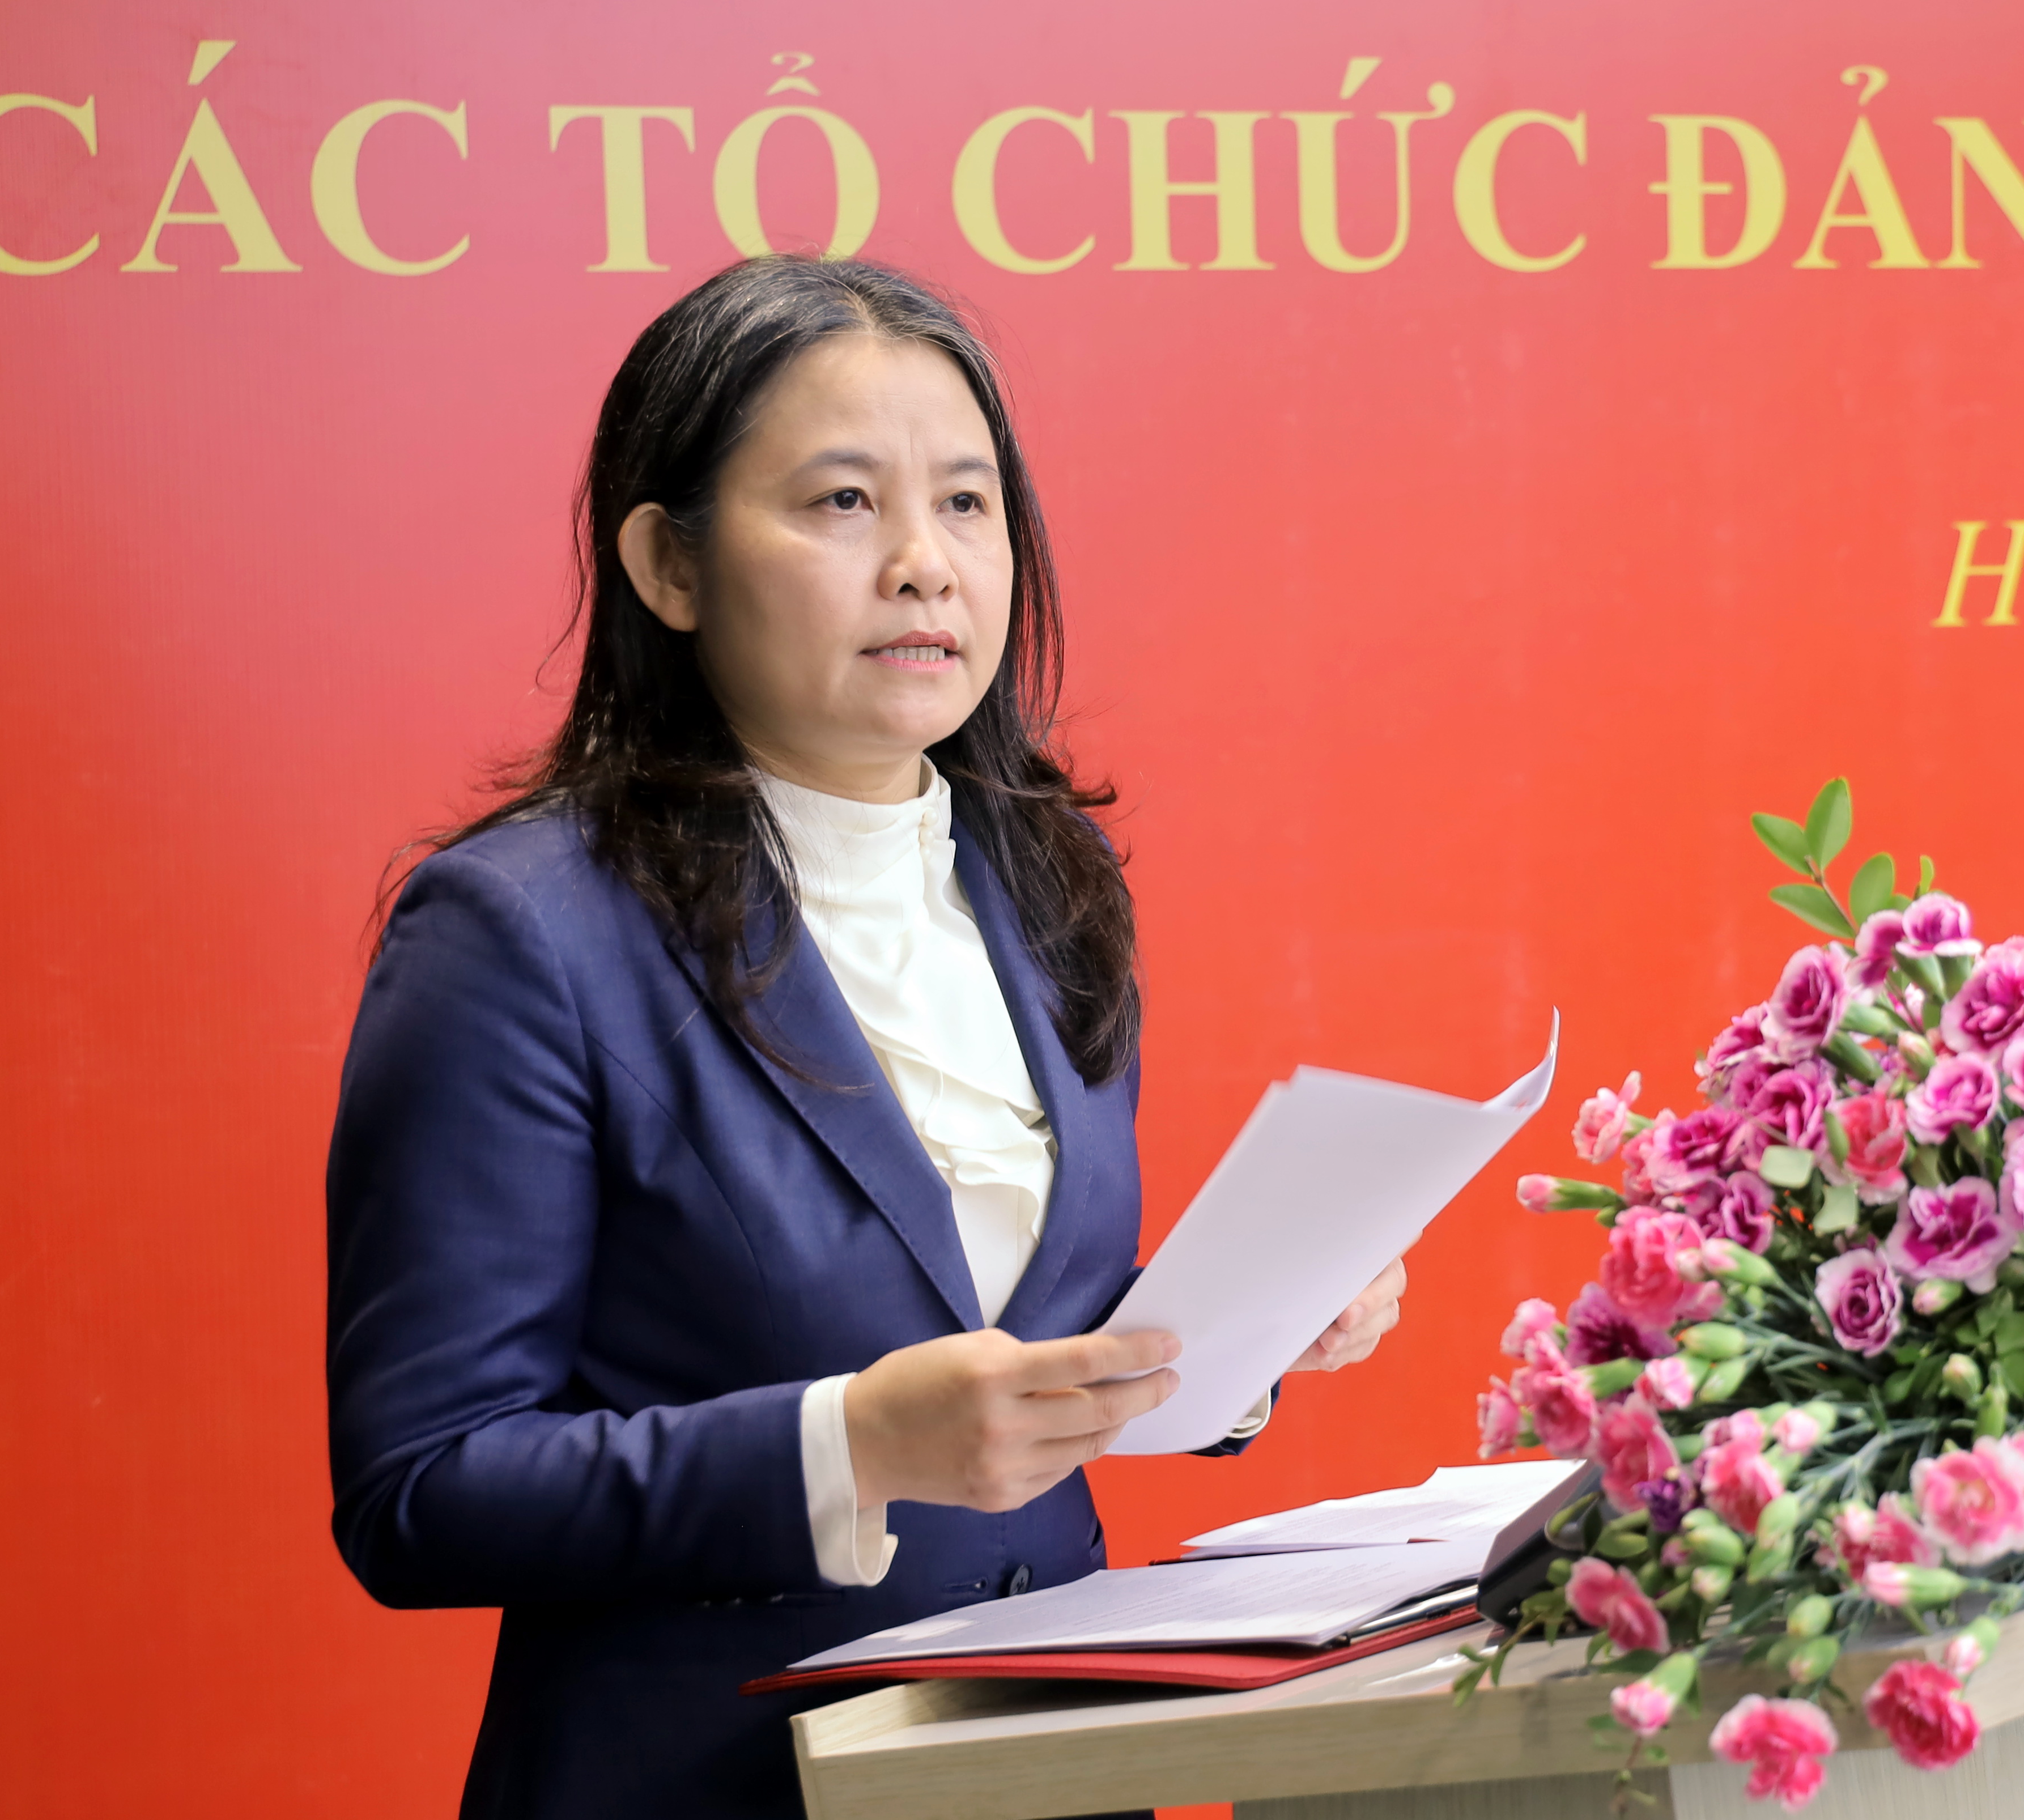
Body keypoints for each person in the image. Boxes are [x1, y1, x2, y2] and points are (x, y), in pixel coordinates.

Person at [325, 257, 1408, 1819]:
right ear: (669, 563)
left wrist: (1234, 1338)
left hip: (1057, 1768)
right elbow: (422, 1489)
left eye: (967, 505)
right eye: (844, 502)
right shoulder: (519, 930)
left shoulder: (1051, 877)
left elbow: (1003, 1336)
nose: (925, 565)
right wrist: (847, 1445)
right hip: (710, 1787)